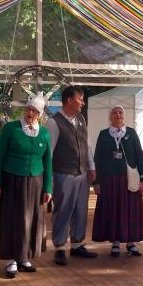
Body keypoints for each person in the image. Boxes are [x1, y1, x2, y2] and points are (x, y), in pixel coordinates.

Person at [0, 95, 52, 277]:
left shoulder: (43, 133)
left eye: (34, 111)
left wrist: (48, 188)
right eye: (28, 109)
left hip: (36, 181)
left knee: (31, 219)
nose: (30, 113)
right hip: (12, 179)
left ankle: (24, 256)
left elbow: (48, 162)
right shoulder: (11, 128)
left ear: (39, 114)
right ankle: (11, 259)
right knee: (12, 218)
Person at [45, 86, 98, 265]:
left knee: (81, 210)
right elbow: (49, 152)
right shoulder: (53, 122)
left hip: (82, 173)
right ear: (69, 100)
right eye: (80, 99)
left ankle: (77, 244)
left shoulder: (81, 119)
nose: (82, 102)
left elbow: (87, 145)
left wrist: (91, 166)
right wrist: (49, 178)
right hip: (63, 173)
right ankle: (59, 247)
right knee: (63, 210)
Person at [92, 105, 143, 256]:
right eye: (115, 112)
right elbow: (98, 159)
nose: (118, 115)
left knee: (130, 211)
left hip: (128, 179)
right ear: (110, 117)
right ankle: (115, 242)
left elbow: (138, 156)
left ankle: (131, 243)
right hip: (109, 180)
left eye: (120, 112)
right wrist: (96, 182)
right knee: (113, 211)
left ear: (124, 116)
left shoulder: (131, 133)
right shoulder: (103, 134)